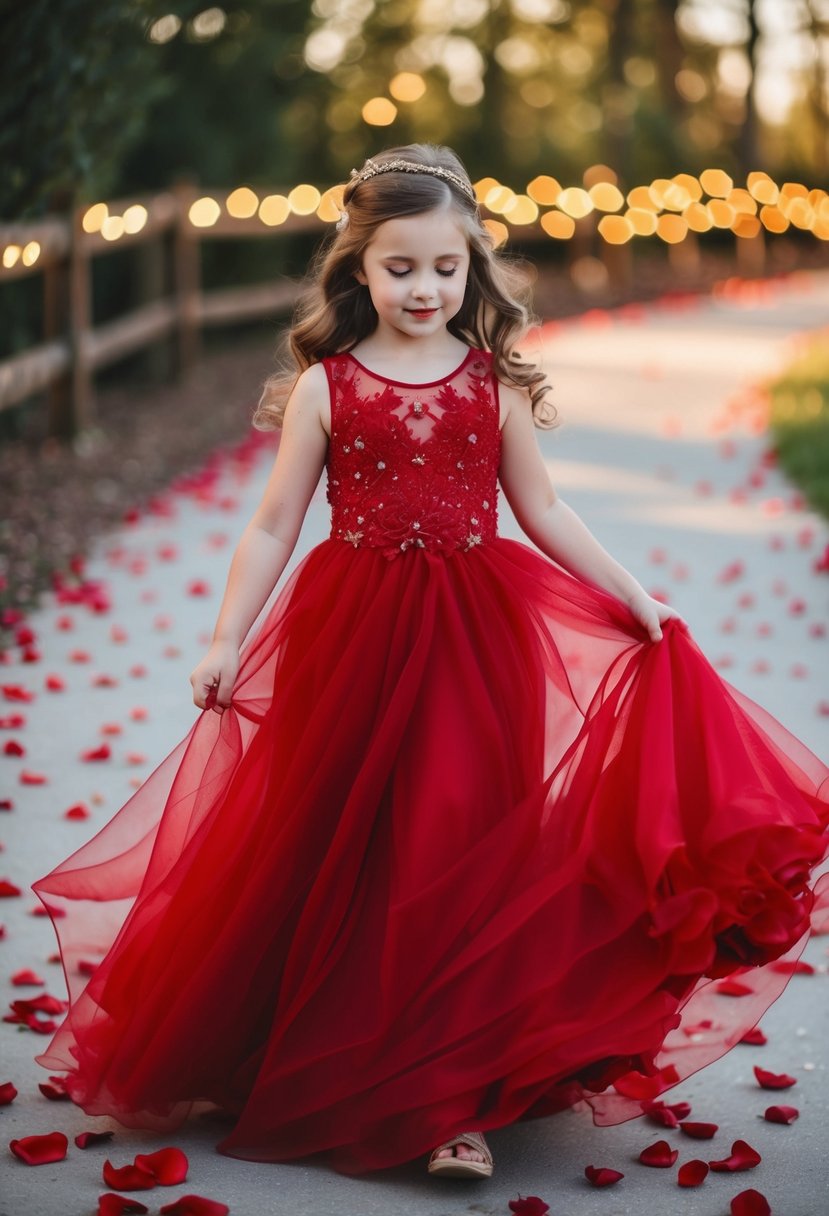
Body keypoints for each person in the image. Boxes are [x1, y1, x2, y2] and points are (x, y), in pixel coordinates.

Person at [33, 143, 829, 1183]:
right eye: (399, 266)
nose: (423, 287)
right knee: (348, 848)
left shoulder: (489, 382)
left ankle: (453, 1100)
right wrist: (226, 636)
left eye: (444, 268)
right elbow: (273, 525)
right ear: (358, 269)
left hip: (474, 637)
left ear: (473, 270)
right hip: (349, 634)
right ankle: (321, 1041)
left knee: (456, 837)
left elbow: (541, 508)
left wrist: (635, 594)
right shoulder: (328, 387)